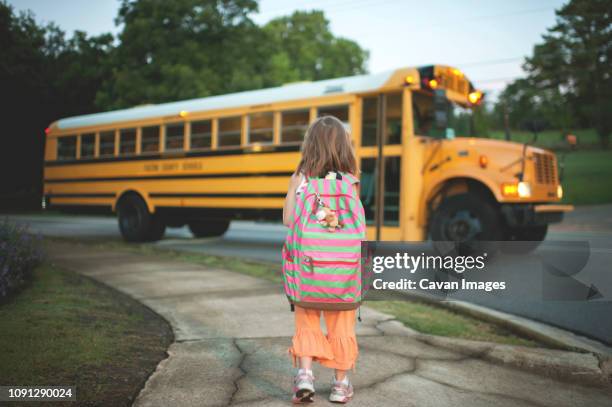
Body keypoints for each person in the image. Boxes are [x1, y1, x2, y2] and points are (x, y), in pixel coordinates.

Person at [282, 116, 360, 404]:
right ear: (343, 147)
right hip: (342, 274)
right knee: (342, 325)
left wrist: (293, 188)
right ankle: (340, 386)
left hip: (308, 269)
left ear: (310, 145)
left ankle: (304, 377)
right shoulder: (351, 182)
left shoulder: (302, 180)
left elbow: (290, 221)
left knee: (306, 323)